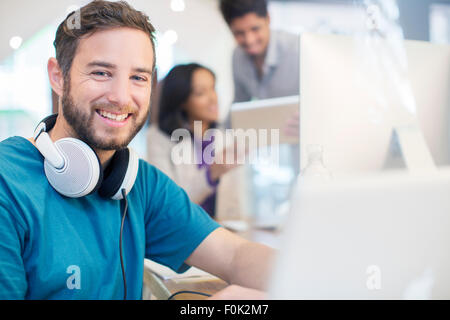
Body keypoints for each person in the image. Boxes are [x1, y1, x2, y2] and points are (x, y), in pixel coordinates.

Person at [0, 0, 274, 300]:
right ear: (58, 76)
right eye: (101, 73)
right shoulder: (8, 184)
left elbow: (235, 256)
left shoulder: (140, 184)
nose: (121, 97)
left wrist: (311, 278)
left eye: (138, 78)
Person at [146, 63, 237, 218]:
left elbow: (237, 201)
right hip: (183, 231)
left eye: (213, 88)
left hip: (224, 229)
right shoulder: (158, 138)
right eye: (201, 93)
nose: (213, 99)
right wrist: (211, 174)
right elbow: (172, 203)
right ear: (182, 101)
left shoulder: (225, 136)